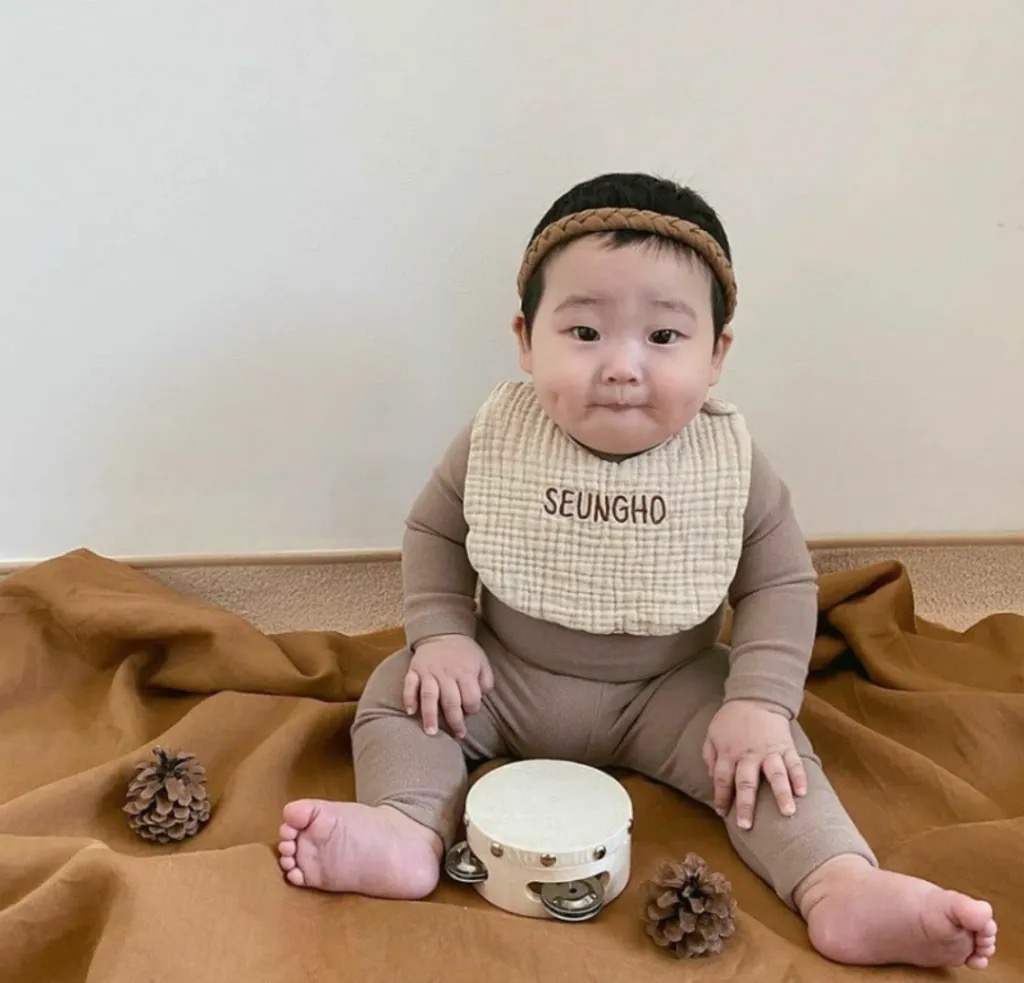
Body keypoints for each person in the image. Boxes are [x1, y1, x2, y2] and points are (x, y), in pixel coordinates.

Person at [277, 172, 997, 969]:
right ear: (526, 338)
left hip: (671, 692)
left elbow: (779, 585)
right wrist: (444, 633)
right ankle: (406, 827)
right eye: (585, 332)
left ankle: (838, 882)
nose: (622, 365)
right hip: (503, 675)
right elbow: (433, 532)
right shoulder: (497, 440)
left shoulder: (730, 464)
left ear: (717, 352)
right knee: (401, 690)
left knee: (768, 758)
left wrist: (758, 701)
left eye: (663, 336)